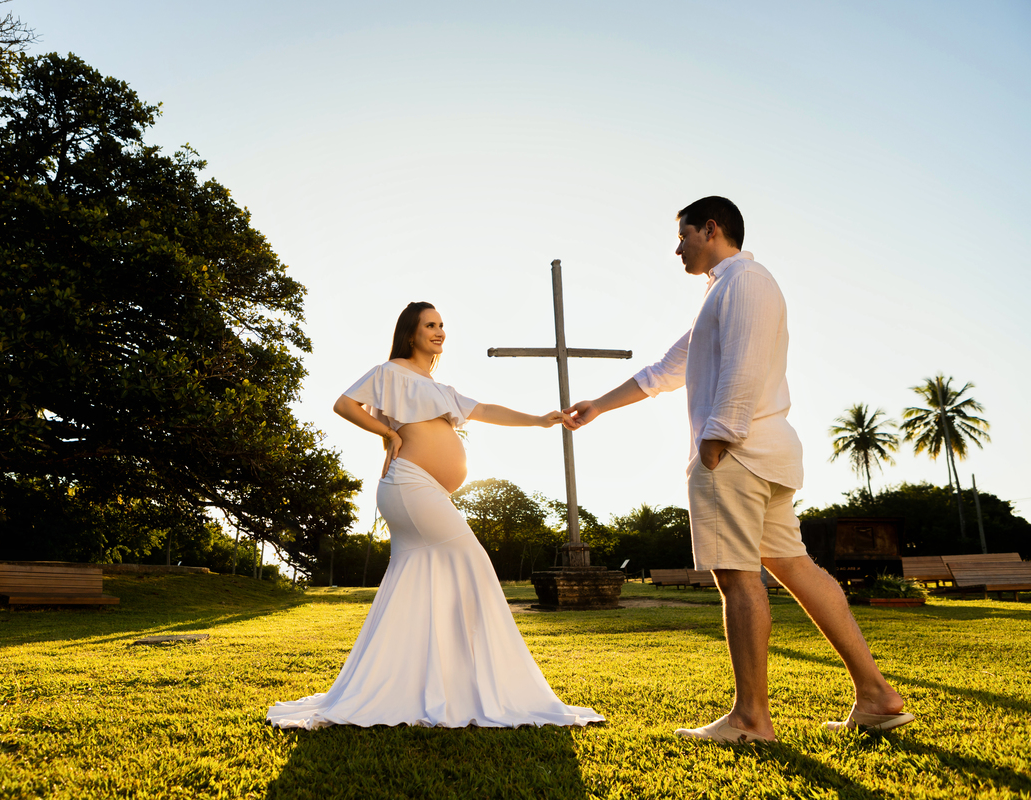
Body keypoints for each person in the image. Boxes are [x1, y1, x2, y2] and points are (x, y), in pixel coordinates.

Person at [564, 197, 911, 742]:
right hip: (761, 455)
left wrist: (715, 441)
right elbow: (664, 370)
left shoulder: (746, 282)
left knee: (738, 580)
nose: (677, 248)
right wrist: (599, 405)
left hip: (737, 454)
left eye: (682, 237)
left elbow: (745, 366)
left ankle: (751, 719)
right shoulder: (720, 293)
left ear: (712, 228)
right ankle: (877, 696)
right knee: (797, 569)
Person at [266, 301, 603, 730]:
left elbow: (485, 411)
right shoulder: (391, 372)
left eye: (442, 325)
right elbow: (344, 405)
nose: (439, 331)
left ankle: (420, 685)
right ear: (411, 333)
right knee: (472, 561)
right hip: (408, 485)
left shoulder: (439, 387)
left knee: (417, 582)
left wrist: (539, 420)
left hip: (425, 489)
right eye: (430, 325)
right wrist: (387, 431)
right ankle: (477, 684)